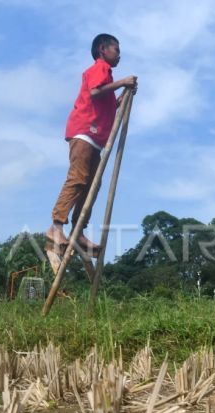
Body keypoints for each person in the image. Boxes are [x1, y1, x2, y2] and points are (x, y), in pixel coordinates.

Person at [46, 34, 138, 254]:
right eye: (116, 49)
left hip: (96, 138)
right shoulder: (100, 68)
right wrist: (123, 82)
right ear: (102, 49)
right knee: (78, 179)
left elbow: (106, 105)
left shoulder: (107, 76)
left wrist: (123, 96)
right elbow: (95, 92)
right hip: (85, 131)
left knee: (92, 185)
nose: (119, 54)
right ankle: (56, 226)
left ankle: (78, 231)